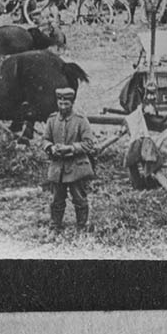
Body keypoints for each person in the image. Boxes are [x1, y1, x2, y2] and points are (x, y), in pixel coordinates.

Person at [43, 85, 94, 237]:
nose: (63, 106)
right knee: (56, 200)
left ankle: (82, 227)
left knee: (79, 198)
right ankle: (55, 227)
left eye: (66, 104)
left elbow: (89, 143)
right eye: (60, 103)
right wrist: (50, 147)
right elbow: (45, 139)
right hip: (58, 167)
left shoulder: (80, 120)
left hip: (76, 167)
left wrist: (71, 148)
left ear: (72, 103)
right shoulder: (52, 120)